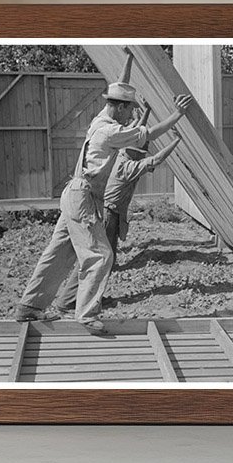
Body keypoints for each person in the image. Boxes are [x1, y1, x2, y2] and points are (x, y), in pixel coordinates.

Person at [13, 74, 193, 335]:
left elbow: (120, 86)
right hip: (83, 197)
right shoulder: (110, 132)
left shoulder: (100, 120)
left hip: (74, 193)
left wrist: (128, 61)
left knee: (59, 253)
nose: (131, 115)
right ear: (119, 107)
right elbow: (148, 133)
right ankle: (86, 314)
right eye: (129, 109)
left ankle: (29, 306)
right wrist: (178, 114)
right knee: (101, 255)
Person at [55, 131, 182, 313]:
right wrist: (176, 140)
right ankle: (68, 300)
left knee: (105, 260)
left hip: (109, 213)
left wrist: (143, 117)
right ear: (132, 152)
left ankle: (91, 298)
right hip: (108, 215)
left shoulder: (121, 159)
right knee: (96, 259)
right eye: (140, 153)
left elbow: (140, 136)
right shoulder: (126, 166)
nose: (142, 156)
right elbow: (156, 160)